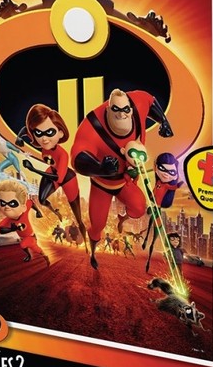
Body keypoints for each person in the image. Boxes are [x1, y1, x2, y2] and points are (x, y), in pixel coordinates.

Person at [71, 88, 173, 269]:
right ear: (108, 110)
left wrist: (163, 121)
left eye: (125, 110)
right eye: (116, 110)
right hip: (102, 184)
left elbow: (149, 100)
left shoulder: (137, 102)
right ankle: (92, 252)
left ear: (131, 109)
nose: (121, 115)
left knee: (139, 208)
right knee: (97, 226)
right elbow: (78, 159)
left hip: (125, 181)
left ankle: (122, 219)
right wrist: (100, 168)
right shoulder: (91, 127)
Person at [18, 104, 88, 251]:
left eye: (50, 132)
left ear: (60, 133)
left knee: (78, 217)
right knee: (42, 200)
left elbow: (58, 178)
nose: (44, 139)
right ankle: (56, 212)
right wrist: (19, 137)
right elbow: (26, 130)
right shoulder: (41, 141)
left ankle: (88, 246)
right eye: (39, 133)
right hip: (51, 172)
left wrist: (33, 169)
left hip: (66, 179)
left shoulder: (62, 155)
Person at [143, 152, 183, 272]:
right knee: (150, 222)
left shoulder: (166, 186)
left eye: (171, 172)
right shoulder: (158, 184)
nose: (165, 173)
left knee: (154, 235)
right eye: (162, 168)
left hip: (158, 209)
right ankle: (146, 240)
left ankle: (148, 258)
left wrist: (180, 182)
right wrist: (146, 185)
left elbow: (174, 187)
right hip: (154, 207)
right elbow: (151, 196)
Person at [0, 180, 49, 266]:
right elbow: (0, 229)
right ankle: (32, 255)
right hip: (24, 238)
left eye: (12, 203)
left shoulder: (25, 209)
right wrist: (11, 229)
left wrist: (38, 212)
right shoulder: (8, 219)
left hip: (31, 237)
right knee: (26, 245)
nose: (6, 207)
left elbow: (30, 203)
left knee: (28, 246)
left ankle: (43, 256)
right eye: (3, 203)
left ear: (23, 207)